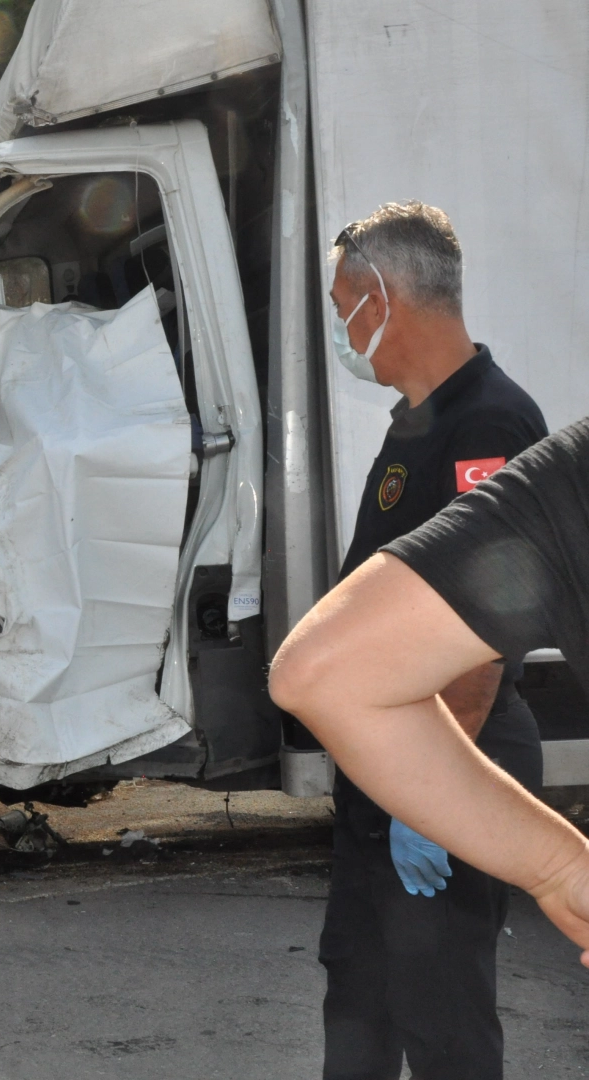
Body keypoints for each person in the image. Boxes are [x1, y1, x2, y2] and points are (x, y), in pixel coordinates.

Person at [309, 202, 547, 1080]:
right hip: (391, 770)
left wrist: (429, 795)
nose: (341, 326)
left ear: (385, 299)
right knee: (360, 1010)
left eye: (344, 306)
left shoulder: (486, 426)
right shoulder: (421, 418)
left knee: (441, 1021)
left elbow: (484, 637)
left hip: (447, 763)